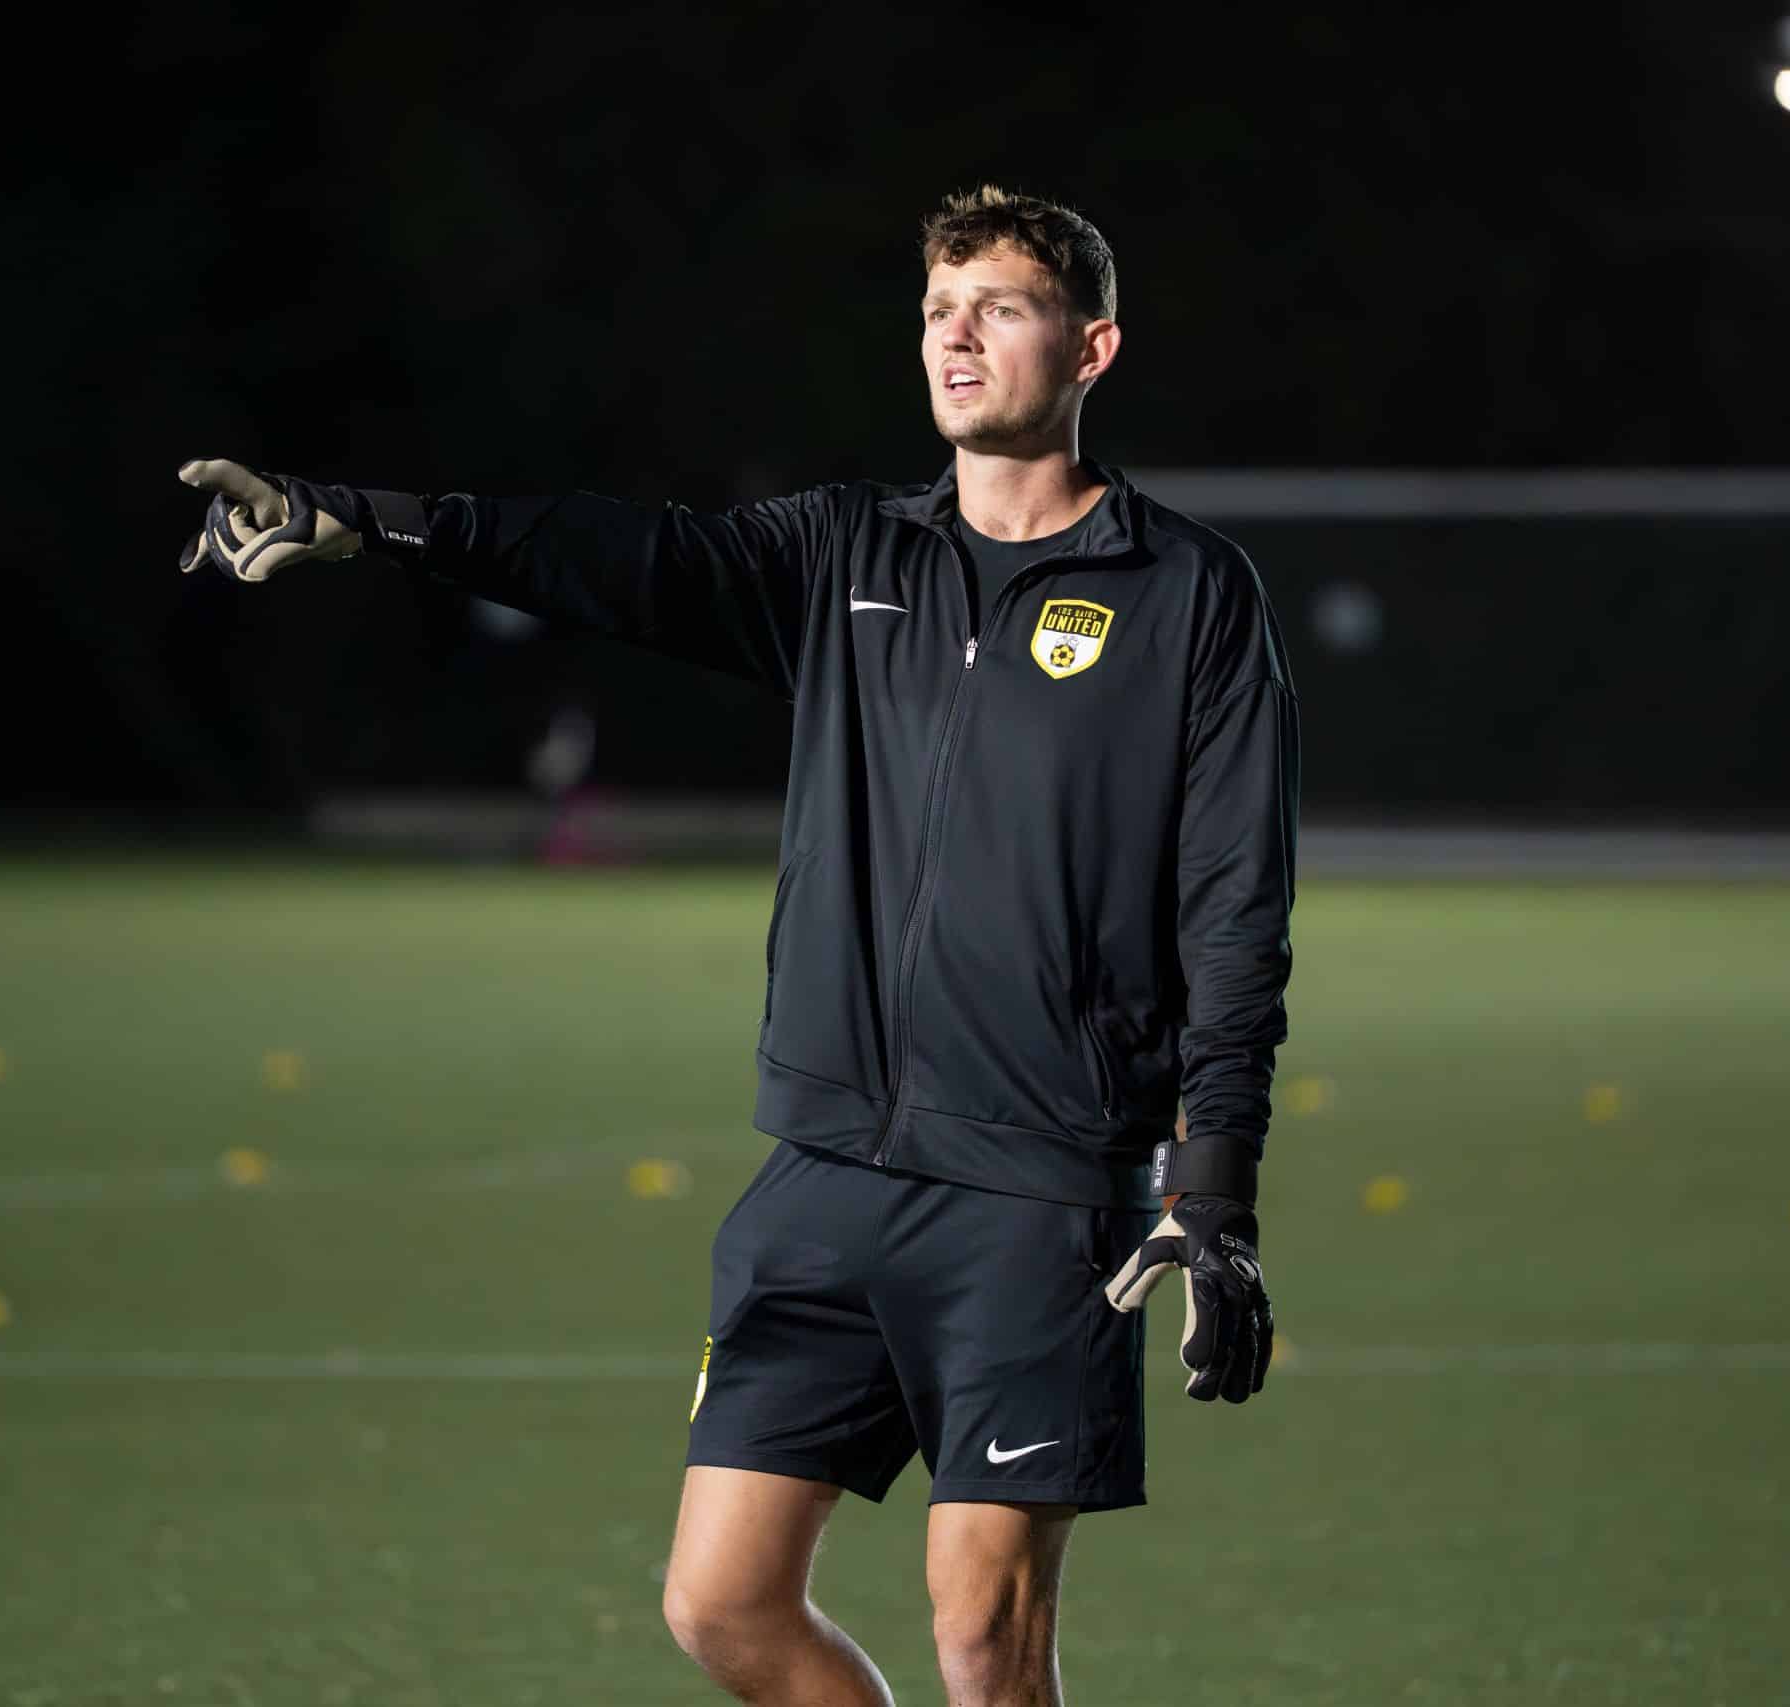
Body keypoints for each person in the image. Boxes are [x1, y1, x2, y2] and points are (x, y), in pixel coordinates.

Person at [174, 184, 1298, 1707]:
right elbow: (612, 557)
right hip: (828, 1168)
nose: (956, 338)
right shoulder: (846, 558)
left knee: (985, 1635)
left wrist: (1210, 1187)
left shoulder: (1190, 599)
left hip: (1035, 1188)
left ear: (1092, 345)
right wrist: (368, 521)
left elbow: (1235, 906)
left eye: (1000, 308)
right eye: (935, 312)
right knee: (721, 1605)